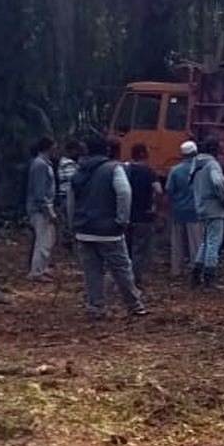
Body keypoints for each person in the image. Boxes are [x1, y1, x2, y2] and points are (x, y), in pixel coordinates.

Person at [69, 136, 146, 319]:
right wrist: (122, 220)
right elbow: (124, 193)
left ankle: (97, 308)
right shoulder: (114, 168)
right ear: (107, 150)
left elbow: (70, 201)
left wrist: (73, 224)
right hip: (109, 231)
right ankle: (135, 305)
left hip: (84, 230)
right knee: (122, 269)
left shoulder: (79, 171)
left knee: (92, 272)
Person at [190, 138, 224, 287]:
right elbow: (217, 182)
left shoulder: (196, 164)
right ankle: (209, 278)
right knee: (214, 242)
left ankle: (196, 274)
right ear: (215, 150)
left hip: (201, 206)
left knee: (205, 242)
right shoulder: (212, 164)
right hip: (214, 208)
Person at [125, 143, 162, 287]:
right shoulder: (149, 172)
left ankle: (124, 276)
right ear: (144, 154)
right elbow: (158, 191)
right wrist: (156, 208)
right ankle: (134, 279)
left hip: (126, 216)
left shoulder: (124, 170)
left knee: (126, 248)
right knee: (139, 250)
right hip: (143, 216)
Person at [166, 141, 203, 278]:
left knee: (177, 243)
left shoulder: (174, 170)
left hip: (178, 211)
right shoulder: (201, 170)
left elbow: (169, 191)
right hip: (195, 211)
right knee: (196, 243)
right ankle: (195, 270)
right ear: (195, 153)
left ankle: (176, 270)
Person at [26, 137, 57, 280]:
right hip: (40, 209)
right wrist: (48, 210)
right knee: (43, 241)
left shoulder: (43, 163)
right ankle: (36, 271)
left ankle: (41, 267)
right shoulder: (40, 165)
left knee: (47, 239)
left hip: (41, 207)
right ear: (48, 148)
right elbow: (40, 192)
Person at [56, 140, 82, 250]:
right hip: (67, 195)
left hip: (65, 195)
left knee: (66, 217)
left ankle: (67, 241)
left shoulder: (67, 163)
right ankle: (68, 242)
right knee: (68, 217)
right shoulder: (68, 164)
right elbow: (74, 180)